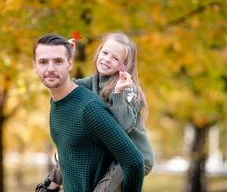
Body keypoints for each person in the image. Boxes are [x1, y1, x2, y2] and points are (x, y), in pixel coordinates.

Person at [33, 33, 144, 192]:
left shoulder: (90, 107)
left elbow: (134, 161)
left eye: (58, 61)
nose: (50, 68)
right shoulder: (59, 101)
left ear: (70, 63)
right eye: (43, 62)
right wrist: (49, 188)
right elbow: (70, 156)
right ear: (34, 65)